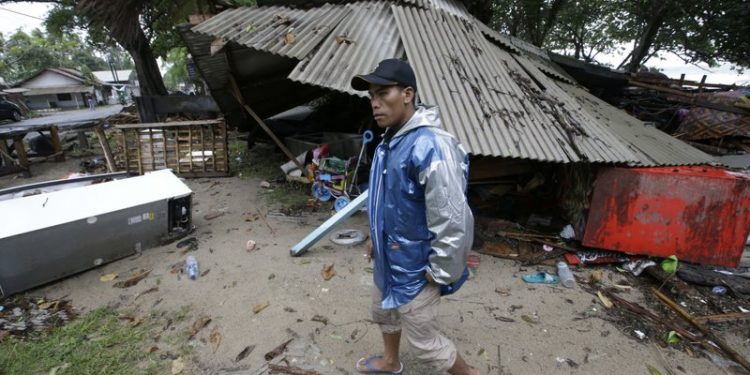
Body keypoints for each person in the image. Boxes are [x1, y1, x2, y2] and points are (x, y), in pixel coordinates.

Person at [351, 59, 479, 375]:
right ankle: (391, 362)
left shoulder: (431, 145)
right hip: (388, 256)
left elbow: (452, 216)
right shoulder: (389, 141)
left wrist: (443, 267)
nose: (376, 104)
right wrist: (373, 236)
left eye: (383, 93)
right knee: (384, 312)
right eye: (371, 97)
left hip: (416, 265)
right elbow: (385, 199)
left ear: (408, 93)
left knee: (425, 342)